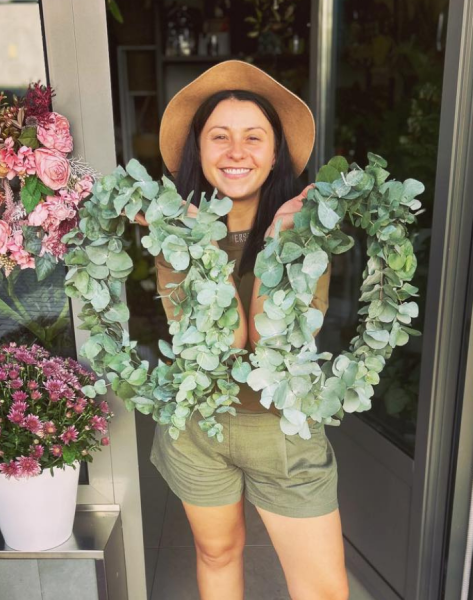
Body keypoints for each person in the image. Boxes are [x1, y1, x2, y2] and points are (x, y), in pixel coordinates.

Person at [146, 60, 348, 600]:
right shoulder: (174, 234)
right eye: (220, 136)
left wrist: (280, 240)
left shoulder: (305, 231)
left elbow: (266, 345)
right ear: (199, 149)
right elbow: (222, 345)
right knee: (217, 554)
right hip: (198, 430)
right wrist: (201, 246)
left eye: (253, 137)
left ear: (275, 153)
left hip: (282, 431)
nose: (236, 152)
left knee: (324, 591)